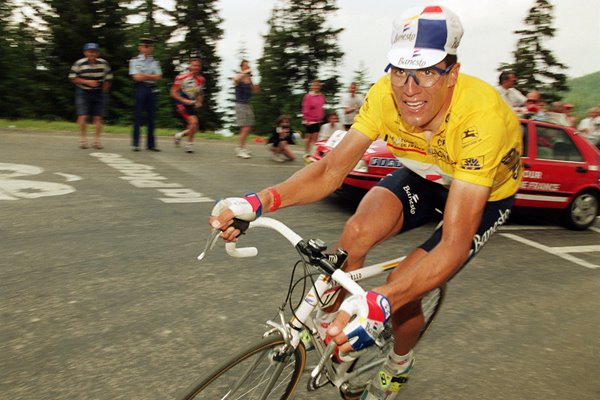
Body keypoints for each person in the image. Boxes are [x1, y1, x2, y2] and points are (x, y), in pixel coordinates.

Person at [210, 5, 523, 399]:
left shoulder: (481, 117)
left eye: (427, 71)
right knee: (355, 232)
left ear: (452, 74)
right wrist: (257, 201)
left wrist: (385, 301)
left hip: (482, 191)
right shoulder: (382, 95)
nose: (410, 88)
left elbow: (454, 243)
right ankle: (334, 322)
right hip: (425, 173)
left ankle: (398, 363)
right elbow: (328, 172)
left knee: (402, 285)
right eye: (400, 70)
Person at [68, 42, 113, 149]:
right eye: (89, 51)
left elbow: (109, 78)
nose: (92, 54)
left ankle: (96, 141)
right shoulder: (79, 63)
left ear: (97, 53)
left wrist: (104, 91)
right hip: (83, 91)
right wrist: (87, 82)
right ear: (85, 52)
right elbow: (72, 78)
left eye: (94, 52)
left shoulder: (104, 63)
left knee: (98, 117)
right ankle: (83, 139)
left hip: (98, 92)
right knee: (83, 116)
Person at [129, 38, 162, 152]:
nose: (147, 49)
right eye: (145, 46)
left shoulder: (155, 62)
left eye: (149, 47)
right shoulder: (135, 61)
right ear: (140, 47)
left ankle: (151, 144)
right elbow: (136, 77)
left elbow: (158, 77)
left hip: (151, 89)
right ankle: (135, 143)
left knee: (151, 117)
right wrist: (150, 76)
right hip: (140, 88)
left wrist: (144, 75)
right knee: (138, 116)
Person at [170, 58, 205, 154]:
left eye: (198, 66)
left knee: (195, 128)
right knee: (193, 122)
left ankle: (179, 135)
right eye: (194, 65)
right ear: (189, 66)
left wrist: (199, 102)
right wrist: (183, 100)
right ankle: (189, 145)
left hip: (191, 103)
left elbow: (200, 93)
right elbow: (173, 93)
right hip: (181, 103)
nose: (196, 68)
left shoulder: (201, 79)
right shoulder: (181, 77)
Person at [233, 60, 259, 159]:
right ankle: (240, 149)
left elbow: (254, 90)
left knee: (248, 126)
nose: (248, 67)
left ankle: (242, 147)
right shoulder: (239, 77)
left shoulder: (249, 78)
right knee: (245, 127)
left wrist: (256, 87)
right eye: (246, 65)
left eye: (248, 65)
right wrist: (244, 72)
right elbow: (235, 80)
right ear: (242, 67)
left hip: (247, 104)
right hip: (240, 104)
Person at [302, 79, 326, 157]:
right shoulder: (308, 96)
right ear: (312, 86)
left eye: (318, 85)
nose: (316, 87)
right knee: (308, 137)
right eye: (314, 85)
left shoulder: (321, 96)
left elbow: (321, 107)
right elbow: (305, 108)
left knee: (315, 138)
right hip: (309, 120)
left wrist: (321, 117)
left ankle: (312, 153)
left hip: (318, 120)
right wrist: (306, 118)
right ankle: (306, 152)